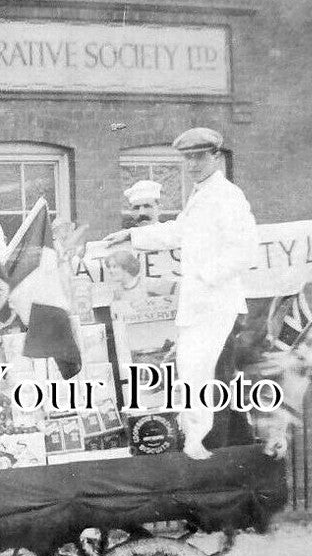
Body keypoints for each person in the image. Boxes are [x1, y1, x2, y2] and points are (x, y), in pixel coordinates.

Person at [108, 127, 258, 460]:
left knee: (205, 377)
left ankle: (210, 453)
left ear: (216, 157)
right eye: (188, 158)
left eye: (199, 157)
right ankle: (233, 454)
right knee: (207, 375)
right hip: (200, 304)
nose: (192, 165)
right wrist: (132, 237)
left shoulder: (227, 195)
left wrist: (206, 276)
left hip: (215, 303)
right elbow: (180, 231)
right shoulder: (200, 195)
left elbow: (245, 250)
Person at [103, 249, 176, 303]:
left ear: (126, 266)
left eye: (114, 267)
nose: (110, 271)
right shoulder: (118, 292)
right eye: (109, 267)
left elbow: (178, 289)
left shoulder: (148, 283)